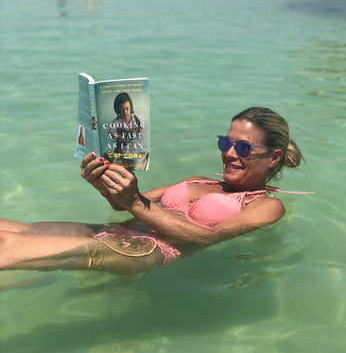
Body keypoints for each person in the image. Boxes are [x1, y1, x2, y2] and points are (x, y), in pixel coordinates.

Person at [0, 107, 311, 275]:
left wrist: (135, 202)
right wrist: (105, 185)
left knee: (6, 247)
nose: (230, 153)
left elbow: (205, 237)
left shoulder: (266, 205)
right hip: (112, 231)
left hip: (145, 251)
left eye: (243, 147)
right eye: (225, 142)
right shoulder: (199, 180)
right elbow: (127, 205)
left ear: (273, 157)